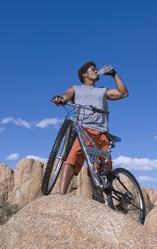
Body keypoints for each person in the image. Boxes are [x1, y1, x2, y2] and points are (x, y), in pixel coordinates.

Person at [51, 61, 129, 194]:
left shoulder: (102, 90)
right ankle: (61, 195)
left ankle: (105, 199)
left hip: (103, 132)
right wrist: (59, 99)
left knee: (103, 169)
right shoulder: (75, 88)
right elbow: (65, 96)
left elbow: (123, 93)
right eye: (93, 69)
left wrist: (114, 74)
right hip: (84, 130)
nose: (96, 71)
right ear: (84, 74)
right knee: (70, 160)